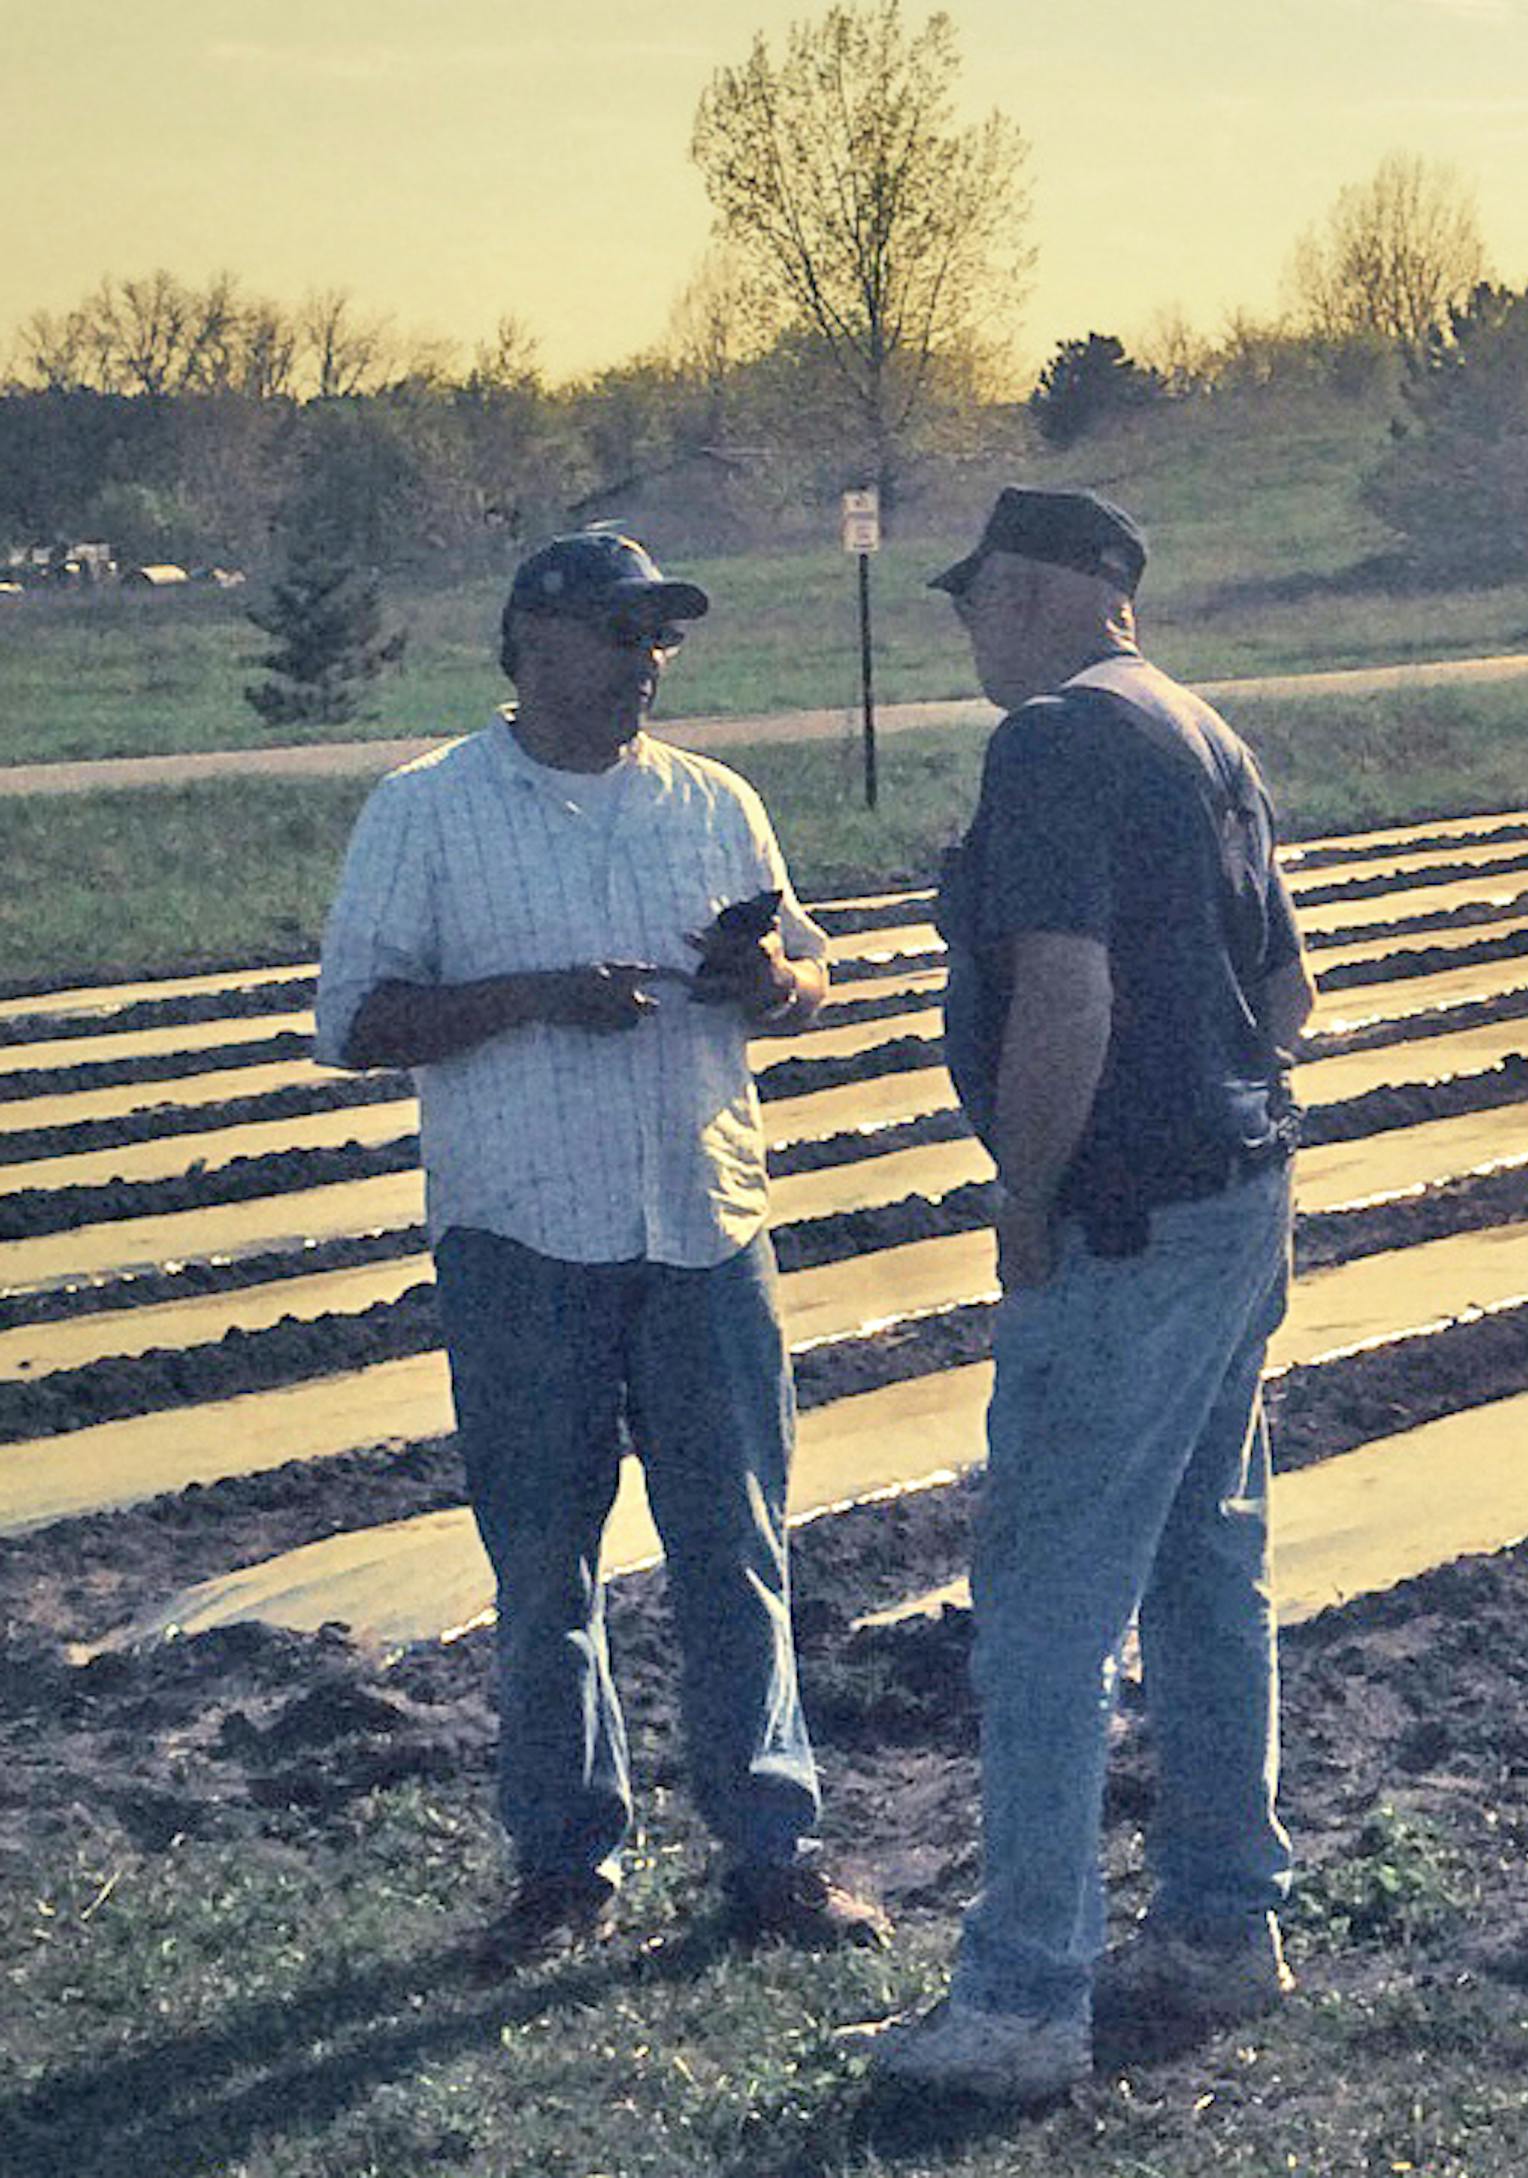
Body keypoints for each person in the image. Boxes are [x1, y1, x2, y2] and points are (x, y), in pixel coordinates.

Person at [314, 530, 889, 1963]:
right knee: (543, 1564)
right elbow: (353, 1021)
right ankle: (564, 1866)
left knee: (736, 1546)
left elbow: (812, 972)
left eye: (660, 637)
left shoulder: (713, 801)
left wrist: (773, 979)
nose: (650, 662)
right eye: (624, 632)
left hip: (704, 1226)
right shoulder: (428, 810)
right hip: (525, 1235)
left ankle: (771, 1853)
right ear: (534, 641)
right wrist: (533, 998)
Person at [866, 488, 1317, 2099]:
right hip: (1237, 1198)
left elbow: (1066, 991)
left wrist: (1028, 1194)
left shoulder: (1054, 741)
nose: (968, 627)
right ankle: (1217, 1923)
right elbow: (1292, 991)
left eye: (978, 596)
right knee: (1207, 1562)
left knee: (1049, 1604)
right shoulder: (1201, 732)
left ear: (1044, 590)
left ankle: (1022, 1997)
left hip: (1125, 1227)